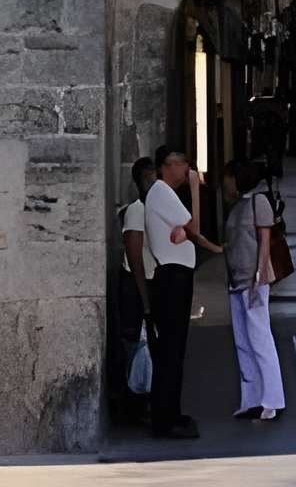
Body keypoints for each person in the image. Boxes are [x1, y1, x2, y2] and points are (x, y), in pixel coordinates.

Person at [143, 145, 220, 440]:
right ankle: (165, 419)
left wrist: (186, 233)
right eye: (179, 163)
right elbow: (194, 226)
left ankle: (170, 412)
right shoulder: (162, 192)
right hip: (172, 277)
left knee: (174, 349)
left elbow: (184, 233)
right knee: (171, 351)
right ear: (165, 166)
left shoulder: (162, 196)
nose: (184, 168)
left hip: (176, 274)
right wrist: (194, 188)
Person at [222, 158, 285, 423]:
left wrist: (259, 278)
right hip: (237, 281)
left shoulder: (258, 202)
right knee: (243, 342)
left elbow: (265, 241)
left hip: (252, 281)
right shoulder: (238, 205)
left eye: (228, 177)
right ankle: (251, 399)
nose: (225, 183)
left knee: (260, 339)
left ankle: (272, 398)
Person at [115, 156, 157, 423]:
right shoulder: (137, 210)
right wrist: (146, 299)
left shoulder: (153, 210)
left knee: (147, 347)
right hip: (136, 285)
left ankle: (144, 402)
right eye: (150, 179)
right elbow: (134, 257)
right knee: (138, 346)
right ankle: (136, 405)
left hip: (148, 283)